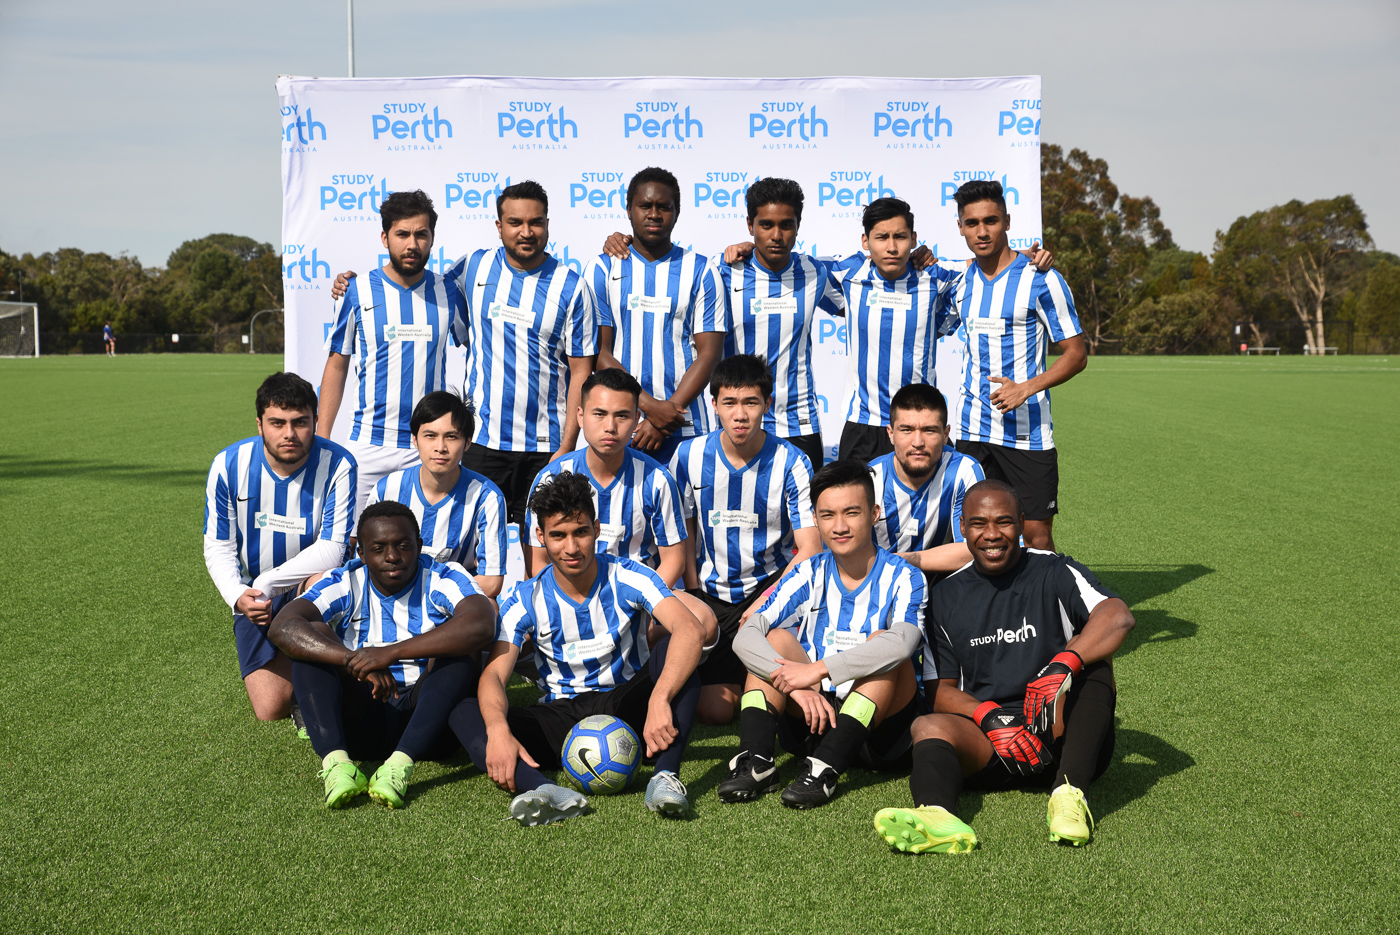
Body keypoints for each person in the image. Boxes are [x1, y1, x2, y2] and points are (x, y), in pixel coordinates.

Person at [872, 480, 1134, 853]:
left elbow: (1117, 616)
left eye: (1004, 522)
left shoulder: (1054, 570)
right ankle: (937, 815)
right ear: (962, 528)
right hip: (992, 740)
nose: (991, 534)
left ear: (1023, 524)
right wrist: (990, 719)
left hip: (1059, 734)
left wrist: (1064, 663)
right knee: (926, 724)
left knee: (1096, 663)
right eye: (979, 523)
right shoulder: (944, 595)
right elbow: (941, 690)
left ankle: (1069, 794)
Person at [333, 181, 598, 538]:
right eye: (515, 222)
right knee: (468, 545)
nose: (526, 231)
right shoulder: (474, 268)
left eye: (535, 222)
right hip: (482, 443)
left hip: (545, 446)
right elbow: (411, 284)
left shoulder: (572, 285)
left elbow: (582, 370)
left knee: (540, 549)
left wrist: (567, 447)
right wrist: (350, 283)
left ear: (547, 225)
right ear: (499, 226)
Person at [449, 472, 711, 824]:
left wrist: (660, 698)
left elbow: (690, 630)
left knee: (675, 658)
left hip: (624, 704)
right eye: (558, 535)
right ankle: (544, 790)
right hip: (560, 716)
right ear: (540, 537)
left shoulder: (630, 575)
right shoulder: (524, 599)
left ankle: (664, 778)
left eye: (580, 532)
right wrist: (497, 730)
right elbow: (494, 674)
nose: (571, 548)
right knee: (465, 711)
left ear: (597, 529)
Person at [725, 459, 927, 808]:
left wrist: (816, 671)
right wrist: (796, 686)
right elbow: (745, 634)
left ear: (874, 513)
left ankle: (825, 770)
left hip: (876, 734)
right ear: (815, 519)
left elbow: (904, 643)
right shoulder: (807, 571)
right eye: (828, 515)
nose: (840, 526)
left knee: (886, 644)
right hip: (811, 716)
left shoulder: (905, 576)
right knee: (772, 639)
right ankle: (756, 761)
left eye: (852, 512)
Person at [268, 501, 496, 809]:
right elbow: (283, 627)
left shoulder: (444, 575)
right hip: (365, 723)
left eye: (403, 545)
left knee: (462, 646)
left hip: (433, 726)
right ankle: (337, 765)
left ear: (420, 546)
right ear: (361, 554)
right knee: (312, 636)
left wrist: (389, 653)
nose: (392, 557)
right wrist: (354, 662)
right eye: (378, 548)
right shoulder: (345, 581)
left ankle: (399, 766)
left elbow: (482, 622)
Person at [669, 354, 822, 724]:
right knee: (716, 711)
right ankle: (745, 674)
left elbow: (811, 547)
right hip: (713, 595)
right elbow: (685, 531)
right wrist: (692, 589)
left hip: (771, 589)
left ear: (767, 404)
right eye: (730, 403)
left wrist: (769, 600)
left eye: (751, 402)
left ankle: (759, 675)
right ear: (714, 405)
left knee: (781, 695)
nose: (740, 415)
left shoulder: (792, 461)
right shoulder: (689, 455)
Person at [203, 371, 357, 721]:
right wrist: (237, 595)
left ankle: (321, 682)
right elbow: (218, 545)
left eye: (300, 422)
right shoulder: (229, 465)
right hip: (256, 596)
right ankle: (311, 671)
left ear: (316, 421)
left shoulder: (339, 464)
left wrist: (267, 584)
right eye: (278, 422)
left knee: (322, 582)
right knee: (270, 709)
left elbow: (333, 549)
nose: (289, 434)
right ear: (259, 425)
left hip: (306, 583)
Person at [949, 180, 1087, 552]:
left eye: (991, 220)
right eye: (972, 222)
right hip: (973, 432)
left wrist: (1025, 388)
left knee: (1036, 537)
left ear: (1007, 221)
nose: (982, 231)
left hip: (1027, 435)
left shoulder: (1041, 278)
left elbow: (1076, 353)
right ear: (960, 226)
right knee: (975, 535)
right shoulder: (960, 281)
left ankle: (1047, 609)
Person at [522, 369, 710, 642]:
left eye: (621, 416)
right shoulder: (551, 477)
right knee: (514, 627)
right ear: (580, 416)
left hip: (635, 597)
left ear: (636, 420)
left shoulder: (656, 479)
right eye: (599, 414)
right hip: (570, 593)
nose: (610, 426)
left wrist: (634, 603)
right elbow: (537, 561)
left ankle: (650, 672)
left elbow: (674, 560)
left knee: (702, 619)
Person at [318, 190, 465, 514]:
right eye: (402, 234)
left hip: (427, 447)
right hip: (368, 444)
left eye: (420, 234)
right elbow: (337, 365)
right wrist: (322, 438)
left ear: (432, 238)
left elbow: (484, 345)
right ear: (385, 238)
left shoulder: (448, 292)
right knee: (348, 543)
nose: (412, 244)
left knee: (424, 546)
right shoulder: (357, 291)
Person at [590, 167, 727, 466]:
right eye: (645, 205)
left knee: (688, 514)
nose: (654, 214)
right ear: (629, 210)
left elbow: (709, 354)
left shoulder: (701, 270)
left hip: (687, 426)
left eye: (663, 207)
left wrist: (667, 414)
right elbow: (600, 351)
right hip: (622, 426)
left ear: (677, 213)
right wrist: (649, 406)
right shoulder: (602, 269)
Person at [707, 178, 845, 469]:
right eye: (766, 225)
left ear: (798, 225)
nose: (777, 235)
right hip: (738, 419)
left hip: (798, 421)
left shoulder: (814, 271)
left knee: (805, 513)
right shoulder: (721, 270)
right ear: (750, 225)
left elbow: (872, 283)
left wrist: (917, 259)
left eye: (786, 225)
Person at [366, 391, 508, 598]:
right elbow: (367, 561)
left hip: (454, 606)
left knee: (490, 608)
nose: (440, 448)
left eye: (451, 437)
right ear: (415, 439)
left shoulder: (487, 497)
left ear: (467, 442)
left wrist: (430, 600)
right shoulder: (386, 489)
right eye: (430, 436)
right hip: (394, 596)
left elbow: (491, 582)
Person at [868, 384, 985, 575]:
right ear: (891, 433)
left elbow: (973, 549)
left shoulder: (963, 471)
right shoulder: (870, 478)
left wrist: (901, 561)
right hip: (879, 584)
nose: (918, 443)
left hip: (942, 584)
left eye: (929, 430)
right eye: (906, 430)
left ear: (946, 434)